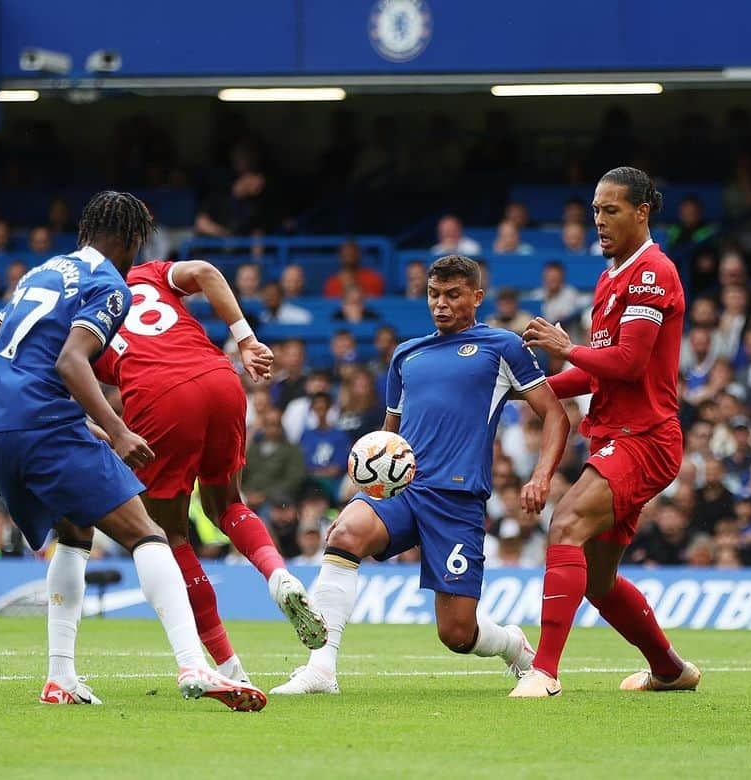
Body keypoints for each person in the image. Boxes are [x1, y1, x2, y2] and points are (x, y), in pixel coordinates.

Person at [0, 191, 267, 711]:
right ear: (131, 239)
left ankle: (61, 677)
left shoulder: (37, 274)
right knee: (148, 533)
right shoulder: (108, 283)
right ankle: (194, 666)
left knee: (75, 532)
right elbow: (71, 362)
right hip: (43, 426)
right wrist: (117, 428)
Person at [271, 255, 569, 696]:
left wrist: (541, 477)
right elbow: (386, 441)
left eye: (453, 295)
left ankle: (512, 644)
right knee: (346, 533)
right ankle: (321, 669)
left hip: (457, 500)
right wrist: (359, 496)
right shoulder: (406, 354)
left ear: (477, 297)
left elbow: (556, 416)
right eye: (434, 294)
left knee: (456, 634)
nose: (441, 304)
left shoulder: (501, 347)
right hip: (404, 491)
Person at [86, 256, 325, 682]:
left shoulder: (84, 305)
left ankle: (231, 667)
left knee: (168, 534)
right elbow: (206, 272)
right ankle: (278, 574)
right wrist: (246, 340)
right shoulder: (148, 274)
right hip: (220, 379)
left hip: (160, 398)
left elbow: (70, 371)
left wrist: (109, 429)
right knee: (227, 502)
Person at [516, 166, 701, 697]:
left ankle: (544, 672)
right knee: (598, 580)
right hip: (616, 436)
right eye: (596, 210)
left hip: (644, 437)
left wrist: (563, 345)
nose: (599, 220)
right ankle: (670, 670)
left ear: (642, 212)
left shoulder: (652, 273)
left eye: (611, 210)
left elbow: (627, 363)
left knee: (566, 521)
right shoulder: (612, 276)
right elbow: (597, 370)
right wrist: (532, 387)